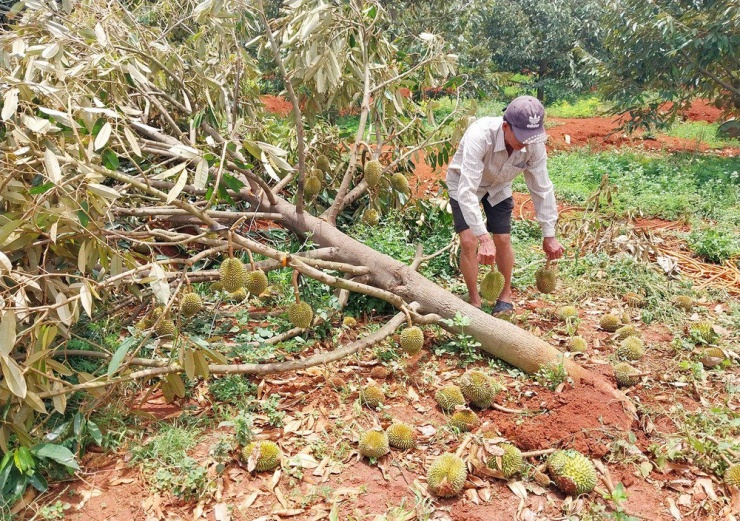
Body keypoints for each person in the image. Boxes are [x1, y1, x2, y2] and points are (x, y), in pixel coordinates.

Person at [446, 95, 565, 314]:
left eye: (531, 137)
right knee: (469, 241)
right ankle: (474, 301)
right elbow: (467, 190)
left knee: (502, 239)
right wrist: (483, 237)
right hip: (463, 184)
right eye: (521, 136)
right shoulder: (480, 135)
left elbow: (542, 187)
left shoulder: (534, 144)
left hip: (499, 186)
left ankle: (505, 295)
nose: (526, 142)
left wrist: (549, 234)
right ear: (505, 126)